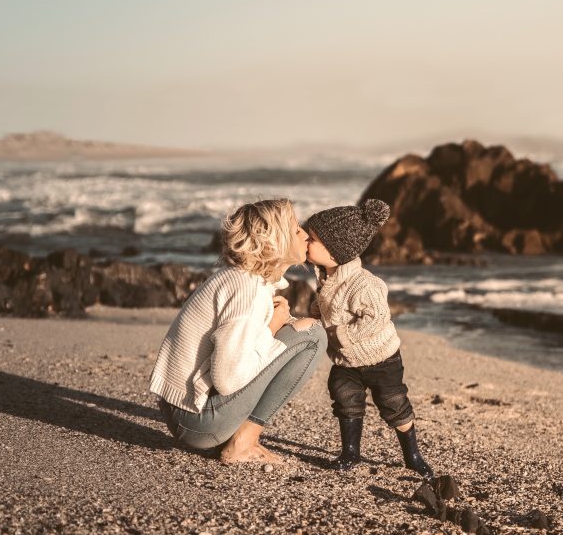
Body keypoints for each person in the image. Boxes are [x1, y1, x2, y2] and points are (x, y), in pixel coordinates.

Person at [150, 199, 327, 464]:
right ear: (273, 240)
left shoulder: (245, 279)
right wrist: (272, 328)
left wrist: (274, 328)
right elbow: (228, 379)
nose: (304, 234)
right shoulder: (248, 288)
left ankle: (238, 438)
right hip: (198, 420)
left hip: (188, 411)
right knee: (312, 336)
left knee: (297, 331)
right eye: (295, 229)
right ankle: (243, 442)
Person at [305, 199, 434, 479]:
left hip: (381, 359)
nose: (305, 240)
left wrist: (340, 334)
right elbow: (327, 305)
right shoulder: (327, 277)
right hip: (346, 360)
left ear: (334, 250)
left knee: (393, 404)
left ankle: (412, 454)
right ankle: (351, 452)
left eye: (312, 239)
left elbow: (375, 318)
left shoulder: (364, 284)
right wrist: (314, 314)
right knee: (344, 398)